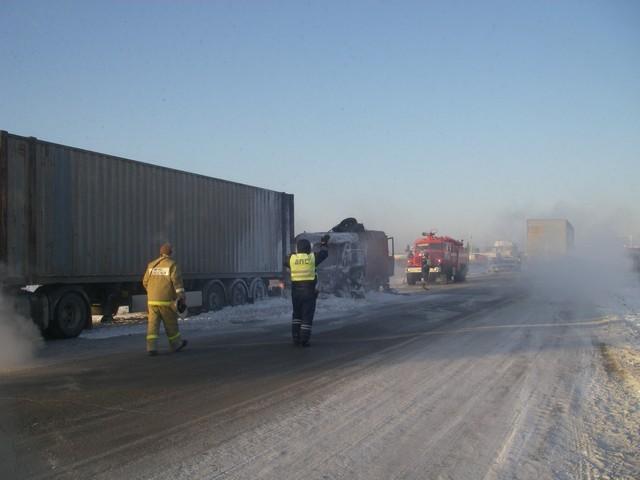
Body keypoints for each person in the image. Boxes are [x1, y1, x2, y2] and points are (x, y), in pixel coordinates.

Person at [142, 243, 188, 356]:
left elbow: (145, 282)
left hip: (152, 301)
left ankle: (151, 347)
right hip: (166, 301)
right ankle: (176, 344)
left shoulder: (152, 265)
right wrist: (181, 296)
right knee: (171, 324)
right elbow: (177, 283)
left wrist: (153, 292)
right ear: (170, 253)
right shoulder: (172, 265)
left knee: (152, 325)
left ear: (161, 252)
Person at [285, 235, 330, 346]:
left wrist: (294, 255)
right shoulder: (312, 258)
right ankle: (304, 340)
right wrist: (324, 243)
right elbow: (324, 254)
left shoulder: (292, 259)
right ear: (308, 248)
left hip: (295, 292)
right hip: (309, 291)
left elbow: (285, 260)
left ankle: (296, 337)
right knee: (307, 315)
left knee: (296, 315)